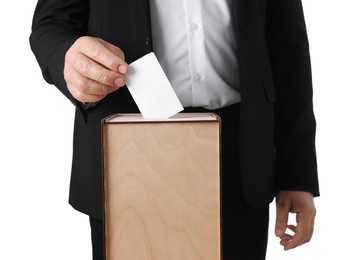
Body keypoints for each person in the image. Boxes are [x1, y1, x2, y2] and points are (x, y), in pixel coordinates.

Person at [29, 0, 319, 259]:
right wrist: (67, 58)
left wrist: (296, 174)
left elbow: (288, 48)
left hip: (240, 158)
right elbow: (51, 25)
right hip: (125, 154)